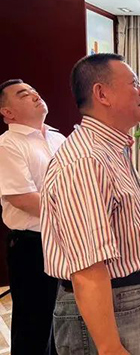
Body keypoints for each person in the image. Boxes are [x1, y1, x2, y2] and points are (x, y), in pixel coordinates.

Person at [40, 54, 140, 355]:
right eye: (134, 83)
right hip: (116, 304)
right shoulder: (86, 160)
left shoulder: (110, 149)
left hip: (131, 300)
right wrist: (109, 347)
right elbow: (87, 266)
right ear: (102, 94)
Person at [0, 79, 65, 355]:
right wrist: (75, 214)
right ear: (8, 112)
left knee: (63, 321)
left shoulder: (58, 139)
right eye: (23, 94)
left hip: (66, 239)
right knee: (34, 328)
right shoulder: (8, 145)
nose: (35, 95)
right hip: (33, 245)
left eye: (34, 91)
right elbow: (23, 198)